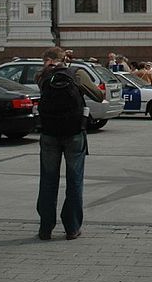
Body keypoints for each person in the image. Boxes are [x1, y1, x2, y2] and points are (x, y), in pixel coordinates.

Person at [36, 46, 104, 241]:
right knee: (74, 180)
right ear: (64, 58)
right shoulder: (76, 73)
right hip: (74, 133)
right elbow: (99, 97)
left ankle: (45, 229)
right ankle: (72, 228)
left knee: (48, 181)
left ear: (45, 60)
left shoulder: (41, 76)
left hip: (49, 133)